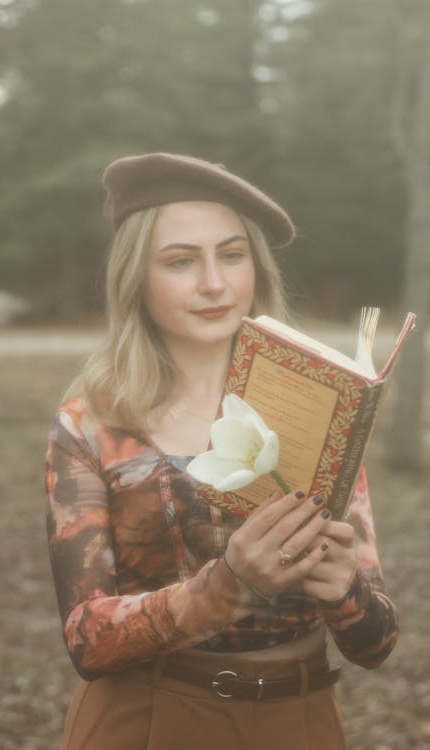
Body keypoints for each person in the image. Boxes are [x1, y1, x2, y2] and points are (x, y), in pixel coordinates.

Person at [44, 153, 399, 750]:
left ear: (255, 267)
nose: (214, 283)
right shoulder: (95, 424)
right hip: (149, 720)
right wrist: (228, 587)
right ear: (137, 276)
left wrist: (345, 591)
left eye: (231, 255)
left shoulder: (322, 406)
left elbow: (376, 644)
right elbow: (86, 640)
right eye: (181, 261)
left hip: (302, 722)